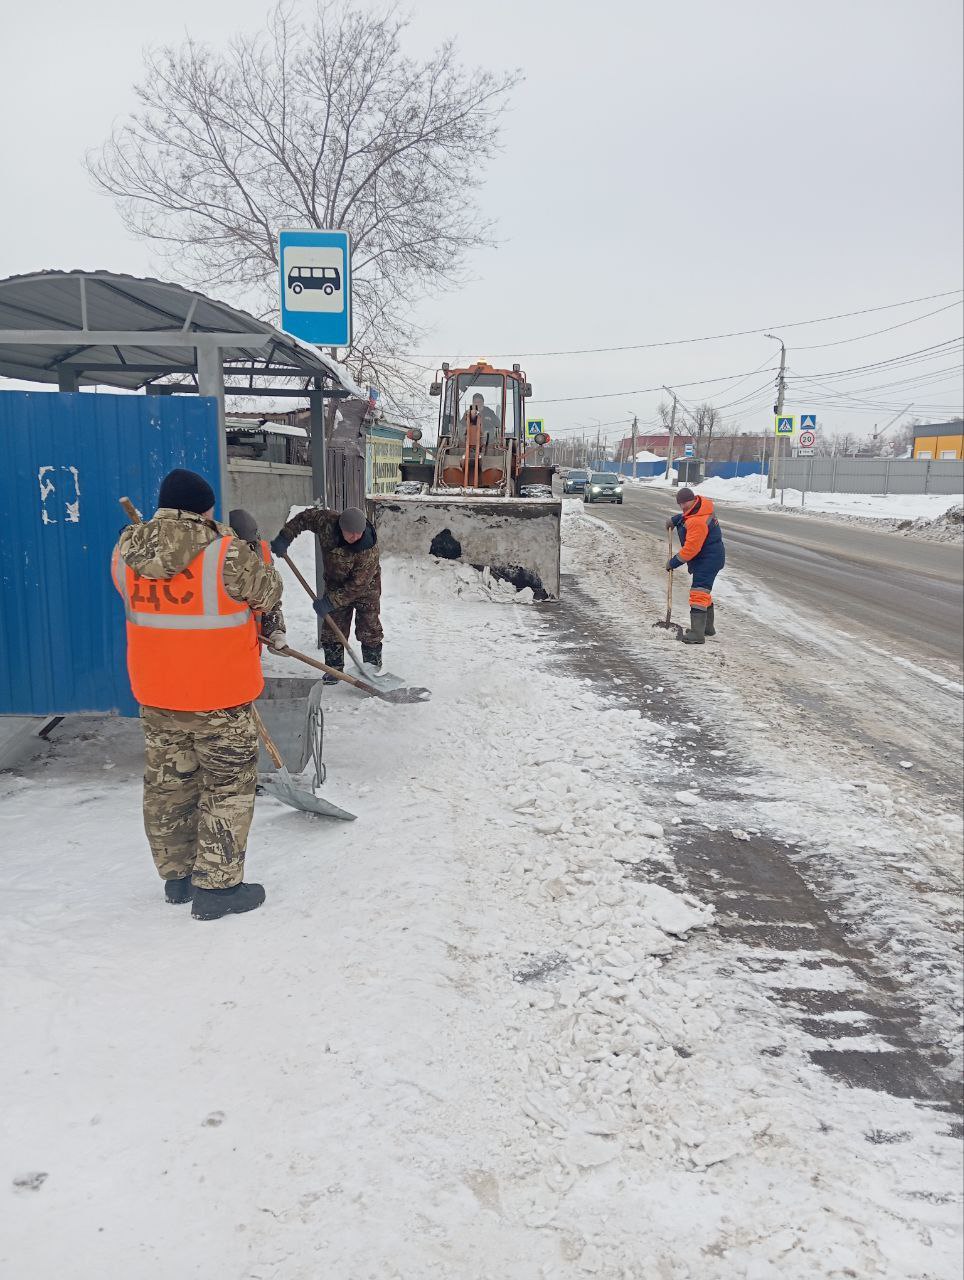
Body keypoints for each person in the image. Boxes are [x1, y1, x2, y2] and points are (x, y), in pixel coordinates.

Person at [112, 469, 284, 920]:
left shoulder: (126, 550)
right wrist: (244, 549)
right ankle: (219, 890)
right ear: (205, 508)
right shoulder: (226, 554)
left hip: (157, 696)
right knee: (226, 789)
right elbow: (268, 592)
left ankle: (177, 879)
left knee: (170, 785)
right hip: (219, 699)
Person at [270, 505, 382, 683]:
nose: (355, 537)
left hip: (366, 588)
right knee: (332, 628)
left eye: (358, 533)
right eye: (350, 532)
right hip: (335, 583)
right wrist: (285, 536)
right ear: (340, 527)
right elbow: (304, 518)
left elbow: (357, 586)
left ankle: (373, 669)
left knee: (369, 629)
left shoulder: (368, 549)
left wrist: (329, 602)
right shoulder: (326, 522)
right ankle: (334, 670)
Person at [665, 486, 726, 644]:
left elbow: (691, 549)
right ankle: (707, 628)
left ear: (693, 500)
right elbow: (686, 516)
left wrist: (673, 562)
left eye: (685, 503)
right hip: (708, 557)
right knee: (703, 592)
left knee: (698, 593)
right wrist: (675, 519)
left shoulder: (697, 521)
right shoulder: (699, 509)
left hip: (708, 560)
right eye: (680, 504)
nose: (683, 506)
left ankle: (697, 634)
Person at [229, 508, 288, 649]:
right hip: (228, 644)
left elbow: (268, 596)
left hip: (252, 647)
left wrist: (275, 630)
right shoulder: (221, 559)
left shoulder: (262, 552)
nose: (248, 549)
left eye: (250, 545)